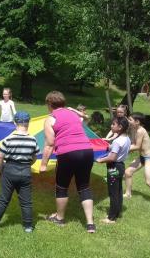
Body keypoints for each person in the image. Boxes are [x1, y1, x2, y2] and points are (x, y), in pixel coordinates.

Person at [39, 91, 96, 233]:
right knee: (84, 186)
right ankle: (90, 224)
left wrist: (43, 164)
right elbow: (84, 118)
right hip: (87, 151)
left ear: (49, 104)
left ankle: (59, 218)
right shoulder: (74, 115)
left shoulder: (50, 119)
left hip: (68, 153)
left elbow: (50, 144)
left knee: (62, 187)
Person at [0, 111, 40, 233]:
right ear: (28, 123)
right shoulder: (32, 140)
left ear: (15, 123)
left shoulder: (8, 139)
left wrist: (0, 168)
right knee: (26, 201)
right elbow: (35, 157)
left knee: (4, 199)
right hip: (25, 171)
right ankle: (28, 227)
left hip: (9, 170)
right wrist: (28, 164)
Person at [96, 117, 131, 224]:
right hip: (120, 166)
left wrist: (100, 160)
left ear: (120, 127)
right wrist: (108, 147)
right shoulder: (126, 138)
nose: (111, 126)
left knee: (113, 193)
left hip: (114, 168)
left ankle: (111, 218)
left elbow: (112, 158)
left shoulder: (117, 141)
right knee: (119, 190)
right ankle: (117, 211)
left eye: (113, 124)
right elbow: (116, 150)